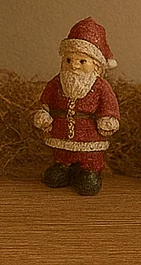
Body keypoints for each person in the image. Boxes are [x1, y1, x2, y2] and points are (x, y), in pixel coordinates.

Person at [33, 16, 120, 195]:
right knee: (59, 162)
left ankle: (89, 170)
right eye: (69, 60)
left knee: (88, 173)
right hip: (61, 133)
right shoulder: (56, 83)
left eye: (82, 61)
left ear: (96, 66)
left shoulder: (101, 87)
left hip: (89, 136)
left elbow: (109, 106)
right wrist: (43, 113)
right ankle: (63, 167)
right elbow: (45, 102)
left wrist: (108, 120)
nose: (74, 66)